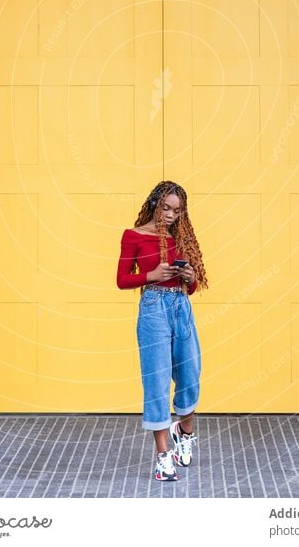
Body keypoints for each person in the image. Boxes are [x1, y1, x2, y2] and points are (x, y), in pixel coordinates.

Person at [116, 180, 208, 481]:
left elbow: (192, 289)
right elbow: (121, 280)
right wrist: (152, 275)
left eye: (177, 211)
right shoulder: (134, 235)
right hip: (154, 307)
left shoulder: (181, 237)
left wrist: (189, 276)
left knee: (190, 375)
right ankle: (162, 454)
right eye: (166, 208)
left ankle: (184, 432)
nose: (170, 215)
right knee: (156, 382)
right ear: (155, 203)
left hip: (181, 306)